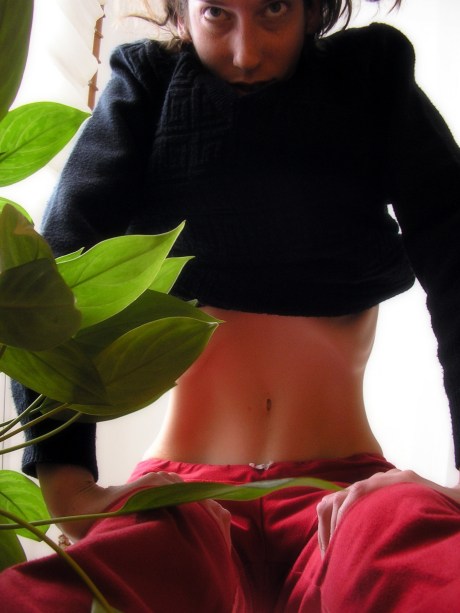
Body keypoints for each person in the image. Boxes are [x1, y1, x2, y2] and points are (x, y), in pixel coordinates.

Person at [2, 0, 460, 610]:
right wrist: (68, 488)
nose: (246, 52)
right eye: (218, 13)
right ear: (182, 13)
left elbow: (454, 252)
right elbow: (54, 273)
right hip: (180, 499)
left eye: (272, 9)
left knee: (420, 555)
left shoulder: (371, 79)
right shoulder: (148, 87)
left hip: (349, 495)